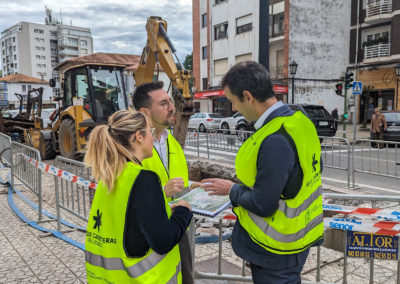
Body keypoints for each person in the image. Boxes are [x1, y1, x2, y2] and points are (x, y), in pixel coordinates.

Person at [201, 61, 324, 283]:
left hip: (276, 249)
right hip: (298, 239)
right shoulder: (301, 122)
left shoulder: (274, 138)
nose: (234, 110)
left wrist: (232, 190)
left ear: (247, 96)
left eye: (233, 102)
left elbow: (263, 204)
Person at [84, 110, 192, 283]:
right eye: (150, 131)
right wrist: (183, 212)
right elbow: (163, 241)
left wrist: (162, 210)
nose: (152, 138)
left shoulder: (109, 176)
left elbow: (125, 220)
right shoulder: (144, 179)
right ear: (139, 136)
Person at [133, 81, 200, 284]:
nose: (172, 108)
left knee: (185, 275)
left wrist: (192, 185)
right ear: (145, 112)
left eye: (170, 101)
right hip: (150, 234)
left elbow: (174, 178)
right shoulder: (133, 147)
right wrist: (163, 190)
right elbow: (127, 190)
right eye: (164, 103)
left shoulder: (172, 141)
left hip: (179, 225)